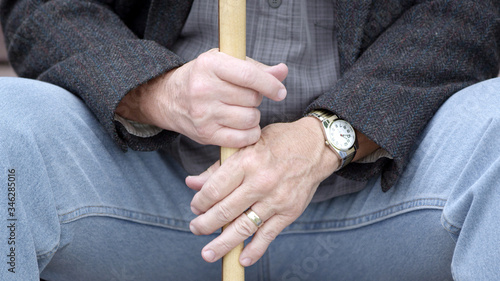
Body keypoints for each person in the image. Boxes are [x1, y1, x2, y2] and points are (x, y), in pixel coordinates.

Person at [0, 0, 499, 280]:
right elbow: (45, 6)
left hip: (384, 199)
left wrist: (325, 138)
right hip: (154, 195)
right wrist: (158, 91)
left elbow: (467, 13)